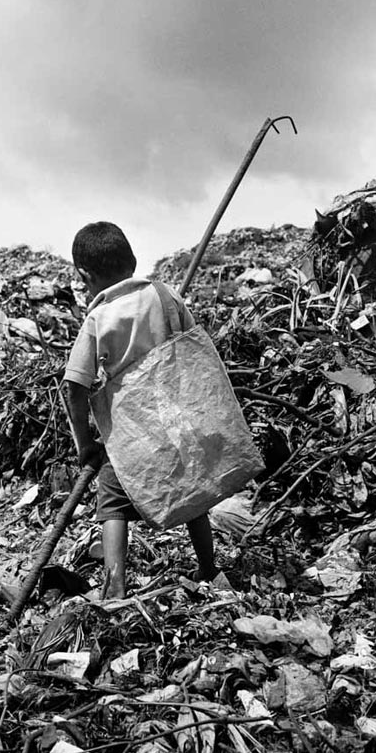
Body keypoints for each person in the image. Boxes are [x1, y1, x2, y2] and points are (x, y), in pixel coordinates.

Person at [63, 221, 217, 599]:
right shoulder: (166, 297)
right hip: (175, 420)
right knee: (193, 493)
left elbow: (74, 387)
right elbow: (196, 352)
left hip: (130, 432)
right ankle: (209, 568)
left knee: (112, 503)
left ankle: (115, 588)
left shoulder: (99, 319)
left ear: (85, 275)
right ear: (132, 260)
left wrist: (85, 444)